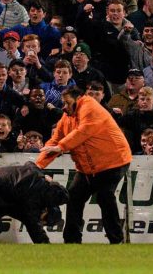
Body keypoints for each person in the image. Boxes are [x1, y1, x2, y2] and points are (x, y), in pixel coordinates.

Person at [36, 87, 132, 244]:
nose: (64, 107)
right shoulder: (67, 118)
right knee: (73, 196)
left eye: (67, 103)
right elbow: (53, 142)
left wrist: (61, 147)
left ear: (78, 99)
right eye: (63, 103)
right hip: (87, 168)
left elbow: (83, 131)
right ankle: (72, 241)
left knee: (104, 196)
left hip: (114, 162)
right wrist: (37, 166)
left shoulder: (90, 106)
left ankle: (116, 240)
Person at [119, 86, 153, 153]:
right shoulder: (132, 115)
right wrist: (115, 114)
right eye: (142, 99)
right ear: (138, 101)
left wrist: (152, 145)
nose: (145, 102)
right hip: (135, 150)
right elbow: (117, 123)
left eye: (148, 99)